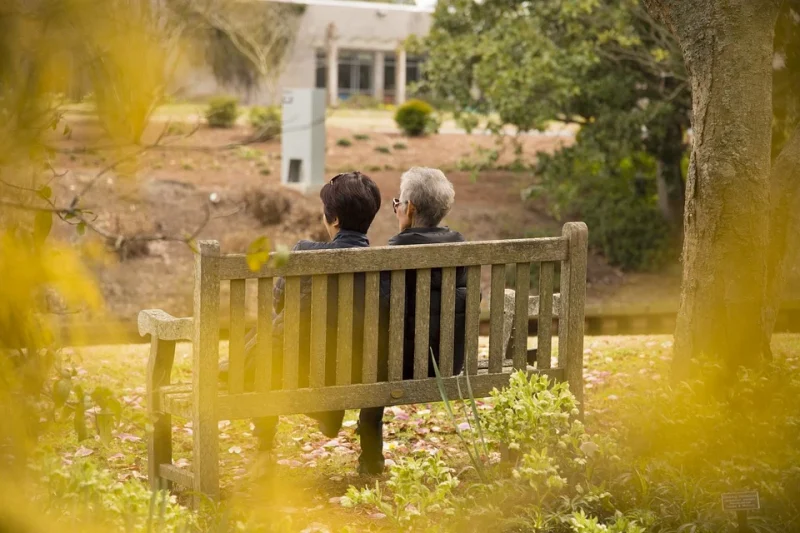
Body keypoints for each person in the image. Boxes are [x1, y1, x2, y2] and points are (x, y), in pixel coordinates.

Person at [220, 171, 382, 452]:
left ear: (334, 220)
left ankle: (264, 448)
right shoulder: (385, 264)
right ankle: (363, 448)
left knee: (269, 335)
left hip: (303, 370)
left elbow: (280, 302)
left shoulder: (305, 253)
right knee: (270, 331)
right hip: (362, 370)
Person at [358, 167, 469, 475]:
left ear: (411, 208)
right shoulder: (462, 248)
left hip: (398, 366)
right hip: (448, 362)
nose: (396, 209)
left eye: (398, 203)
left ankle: (371, 461)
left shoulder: (394, 253)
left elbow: (377, 310)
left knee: (373, 365)